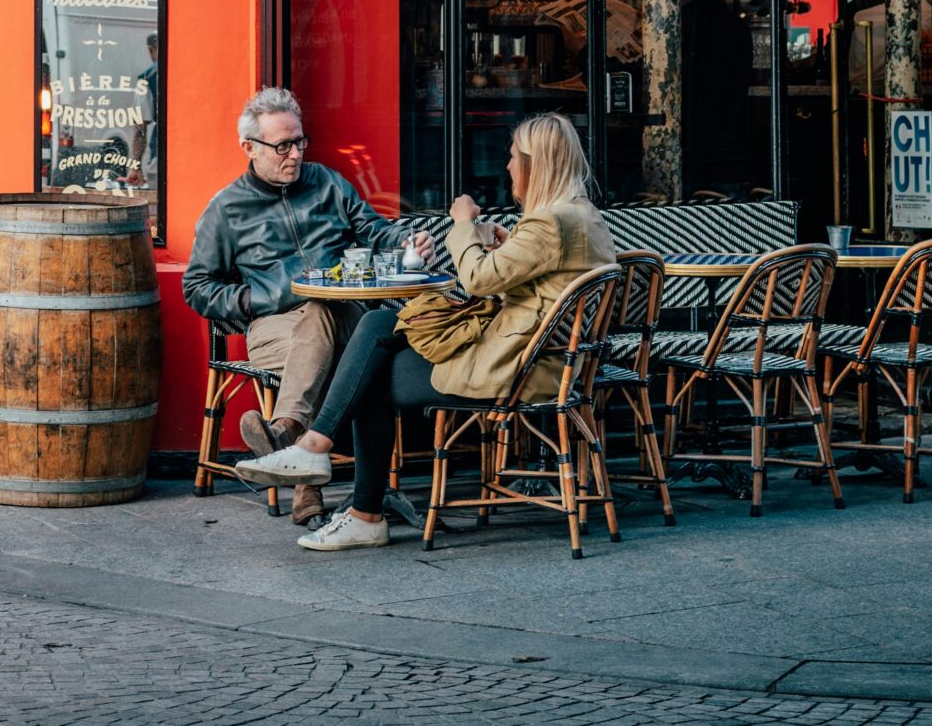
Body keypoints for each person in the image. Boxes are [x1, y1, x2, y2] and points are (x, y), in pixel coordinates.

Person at [231, 112, 618, 552]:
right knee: (377, 328)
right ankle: (321, 455)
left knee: (370, 371)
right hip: (552, 362)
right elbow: (538, 276)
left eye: (513, 158)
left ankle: (355, 503)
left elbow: (475, 280)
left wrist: (462, 224)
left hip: (522, 369)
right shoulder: (580, 216)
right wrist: (507, 245)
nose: (507, 167)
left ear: (535, 165)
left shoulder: (549, 223)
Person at [182, 86, 433, 524]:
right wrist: (254, 298)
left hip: (345, 315)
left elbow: (375, 231)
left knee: (324, 315)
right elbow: (198, 287)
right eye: (282, 145)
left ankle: (286, 435)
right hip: (273, 326)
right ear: (249, 147)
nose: (295, 154)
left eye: (299, 142)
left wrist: (407, 241)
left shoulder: (328, 183)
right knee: (328, 337)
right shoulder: (225, 210)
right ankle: (335, 482)